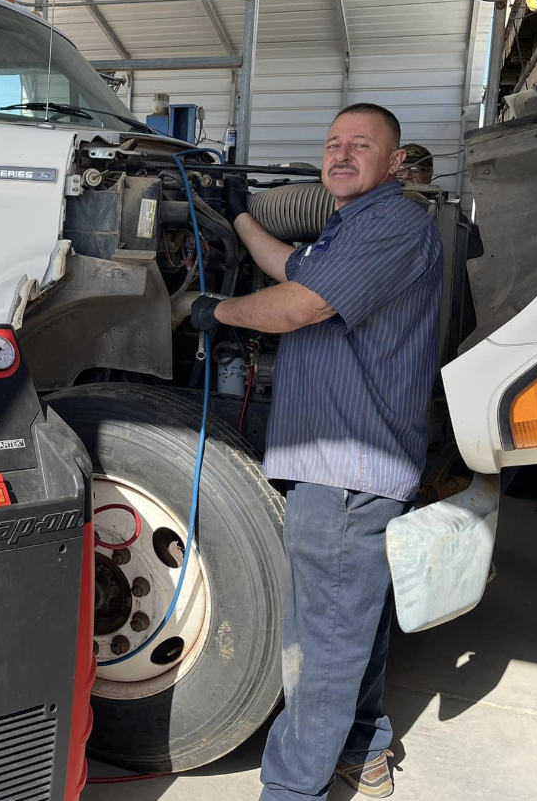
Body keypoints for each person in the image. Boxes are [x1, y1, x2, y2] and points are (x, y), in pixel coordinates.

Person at [193, 103, 443, 800]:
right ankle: (363, 748)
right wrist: (240, 215)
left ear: (395, 162)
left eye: (361, 144)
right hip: (353, 467)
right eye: (333, 143)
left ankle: (292, 789)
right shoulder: (349, 227)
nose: (341, 154)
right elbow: (288, 264)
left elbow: (300, 304)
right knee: (351, 621)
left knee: (321, 642)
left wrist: (216, 310)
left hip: (345, 468)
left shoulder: (393, 224)